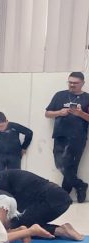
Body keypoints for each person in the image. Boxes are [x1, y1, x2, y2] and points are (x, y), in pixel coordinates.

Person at [0, 170, 84, 241]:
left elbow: (5, 204)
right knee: (25, 224)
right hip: (60, 198)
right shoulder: (8, 176)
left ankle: (61, 231)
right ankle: (60, 229)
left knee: (21, 227)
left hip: (50, 199)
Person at [45, 71, 89, 202]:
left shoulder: (87, 98)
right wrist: (60, 112)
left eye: (75, 83)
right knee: (60, 164)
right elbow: (47, 113)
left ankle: (65, 194)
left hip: (78, 137)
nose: (72, 85)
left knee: (72, 166)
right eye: (70, 82)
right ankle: (80, 185)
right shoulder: (60, 95)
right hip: (60, 135)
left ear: (82, 83)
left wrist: (80, 114)